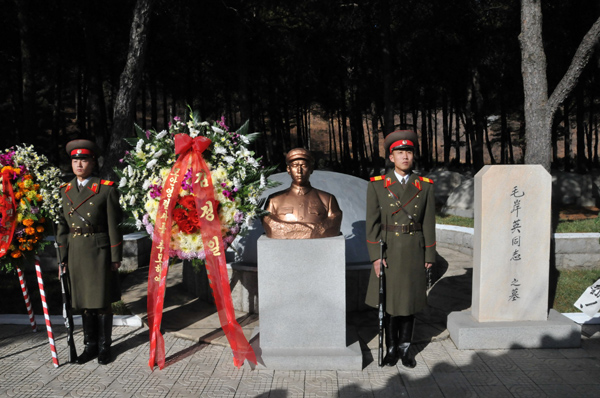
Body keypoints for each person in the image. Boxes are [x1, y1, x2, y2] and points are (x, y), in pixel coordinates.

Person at [364, 130, 436, 368]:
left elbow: (428, 222)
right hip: (390, 249)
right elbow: (372, 223)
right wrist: (376, 256)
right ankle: (392, 347)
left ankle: (406, 349)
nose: (405, 156)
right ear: (391, 157)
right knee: (391, 302)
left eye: (409, 152)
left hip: (414, 249)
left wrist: (429, 253)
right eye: (399, 152)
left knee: (410, 303)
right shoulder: (377, 185)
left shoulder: (424, 186)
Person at [56, 139, 123, 365]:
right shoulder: (65, 191)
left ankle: (105, 347)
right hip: (76, 252)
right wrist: (61, 260)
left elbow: (115, 226)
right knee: (84, 302)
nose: (79, 164)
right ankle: (89, 346)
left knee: (101, 301)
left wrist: (115, 257)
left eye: (84, 160)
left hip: (98, 250)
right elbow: (62, 229)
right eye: (75, 160)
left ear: (93, 162)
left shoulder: (105, 189)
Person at [262, 148, 342, 239]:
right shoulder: (273, 200)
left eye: (304, 165)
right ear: (288, 169)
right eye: (295, 165)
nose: (299, 170)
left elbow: (334, 223)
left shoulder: (328, 199)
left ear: (311, 169)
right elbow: (268, 222)